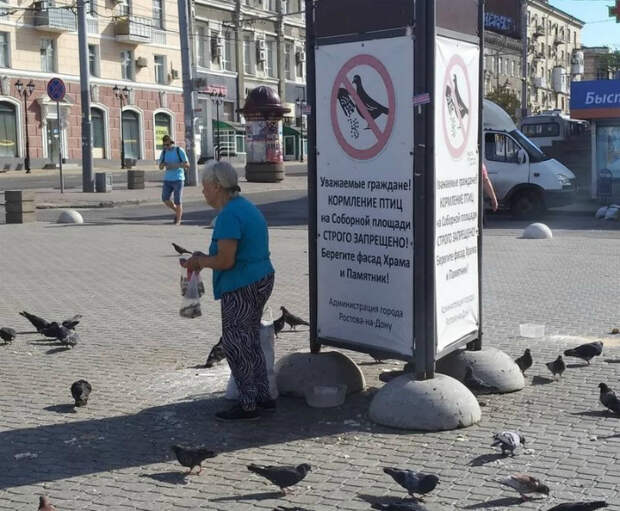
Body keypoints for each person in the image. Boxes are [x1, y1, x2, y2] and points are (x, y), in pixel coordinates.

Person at [182, 160, 275, 422]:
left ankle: (248, 404)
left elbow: (226, 261)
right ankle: (262, 397)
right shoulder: (243, 207)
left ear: (216, 186)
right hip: (260, 277)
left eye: (204, 186)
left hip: (242, 283)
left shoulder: (229, 215)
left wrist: (200, 261)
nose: (203, 192)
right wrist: (202, 257)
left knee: (236, 344)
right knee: (250, 339)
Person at [159, 135, 189, 225]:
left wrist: (176, 165)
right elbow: (160, 167)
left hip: (178, 179)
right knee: (165, 198)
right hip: (167, 179)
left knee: (177, 200)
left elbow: (187, 164)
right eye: (164, 145)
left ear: (172, 143)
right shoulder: (164, 152)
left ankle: (178, 220)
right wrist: (163, 164)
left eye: (168, 145)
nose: (166, 147)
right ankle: (177, 211)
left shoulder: (179, 150)